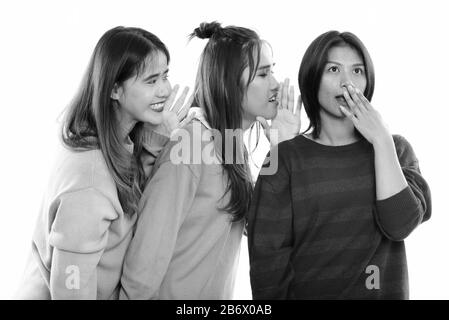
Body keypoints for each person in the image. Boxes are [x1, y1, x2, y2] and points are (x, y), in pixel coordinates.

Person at [119, 21, 301, 299]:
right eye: (263, 74)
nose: (276, 84)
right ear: (230, 83)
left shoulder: (230, 143)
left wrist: (283, 150)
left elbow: (261, 228)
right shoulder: (192, 142)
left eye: (272, 71)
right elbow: (147, 252)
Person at [247, 30, 432, 299]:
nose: (348, 82)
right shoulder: (284, 157)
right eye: (334, 69)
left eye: (358, 71)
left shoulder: (395, 149)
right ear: (313, 78)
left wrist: (381, 141)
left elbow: (400, 226)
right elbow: (266, 261)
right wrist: (285, 150)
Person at [15, 26, 194, 299]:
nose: (166, 91)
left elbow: (127, 207)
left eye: (165, 76)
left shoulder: (115, 142)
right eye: (151, 80)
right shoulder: (89, 183)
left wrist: (153, 145)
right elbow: (71, 290)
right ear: (114, 90)